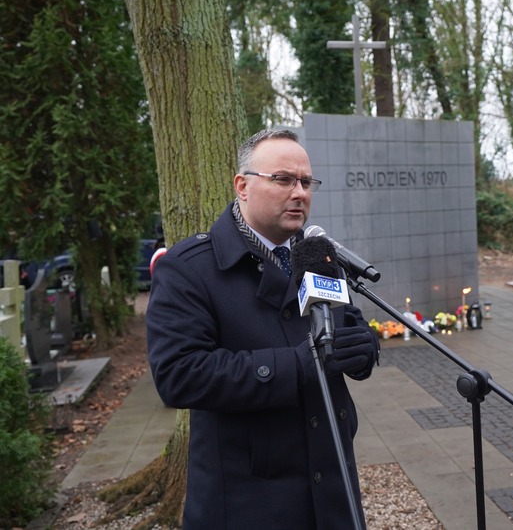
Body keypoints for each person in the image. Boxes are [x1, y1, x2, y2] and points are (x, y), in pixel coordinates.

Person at [146, 129, 380, 529]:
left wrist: (363, 348)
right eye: (284, 179)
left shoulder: (317, 256)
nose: (299, 193)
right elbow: (179, 374)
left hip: (333, 489)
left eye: (306, 182)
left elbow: (345, 324)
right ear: (243, 186)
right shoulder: (189, 268)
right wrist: (297, 365)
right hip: (251, 502)